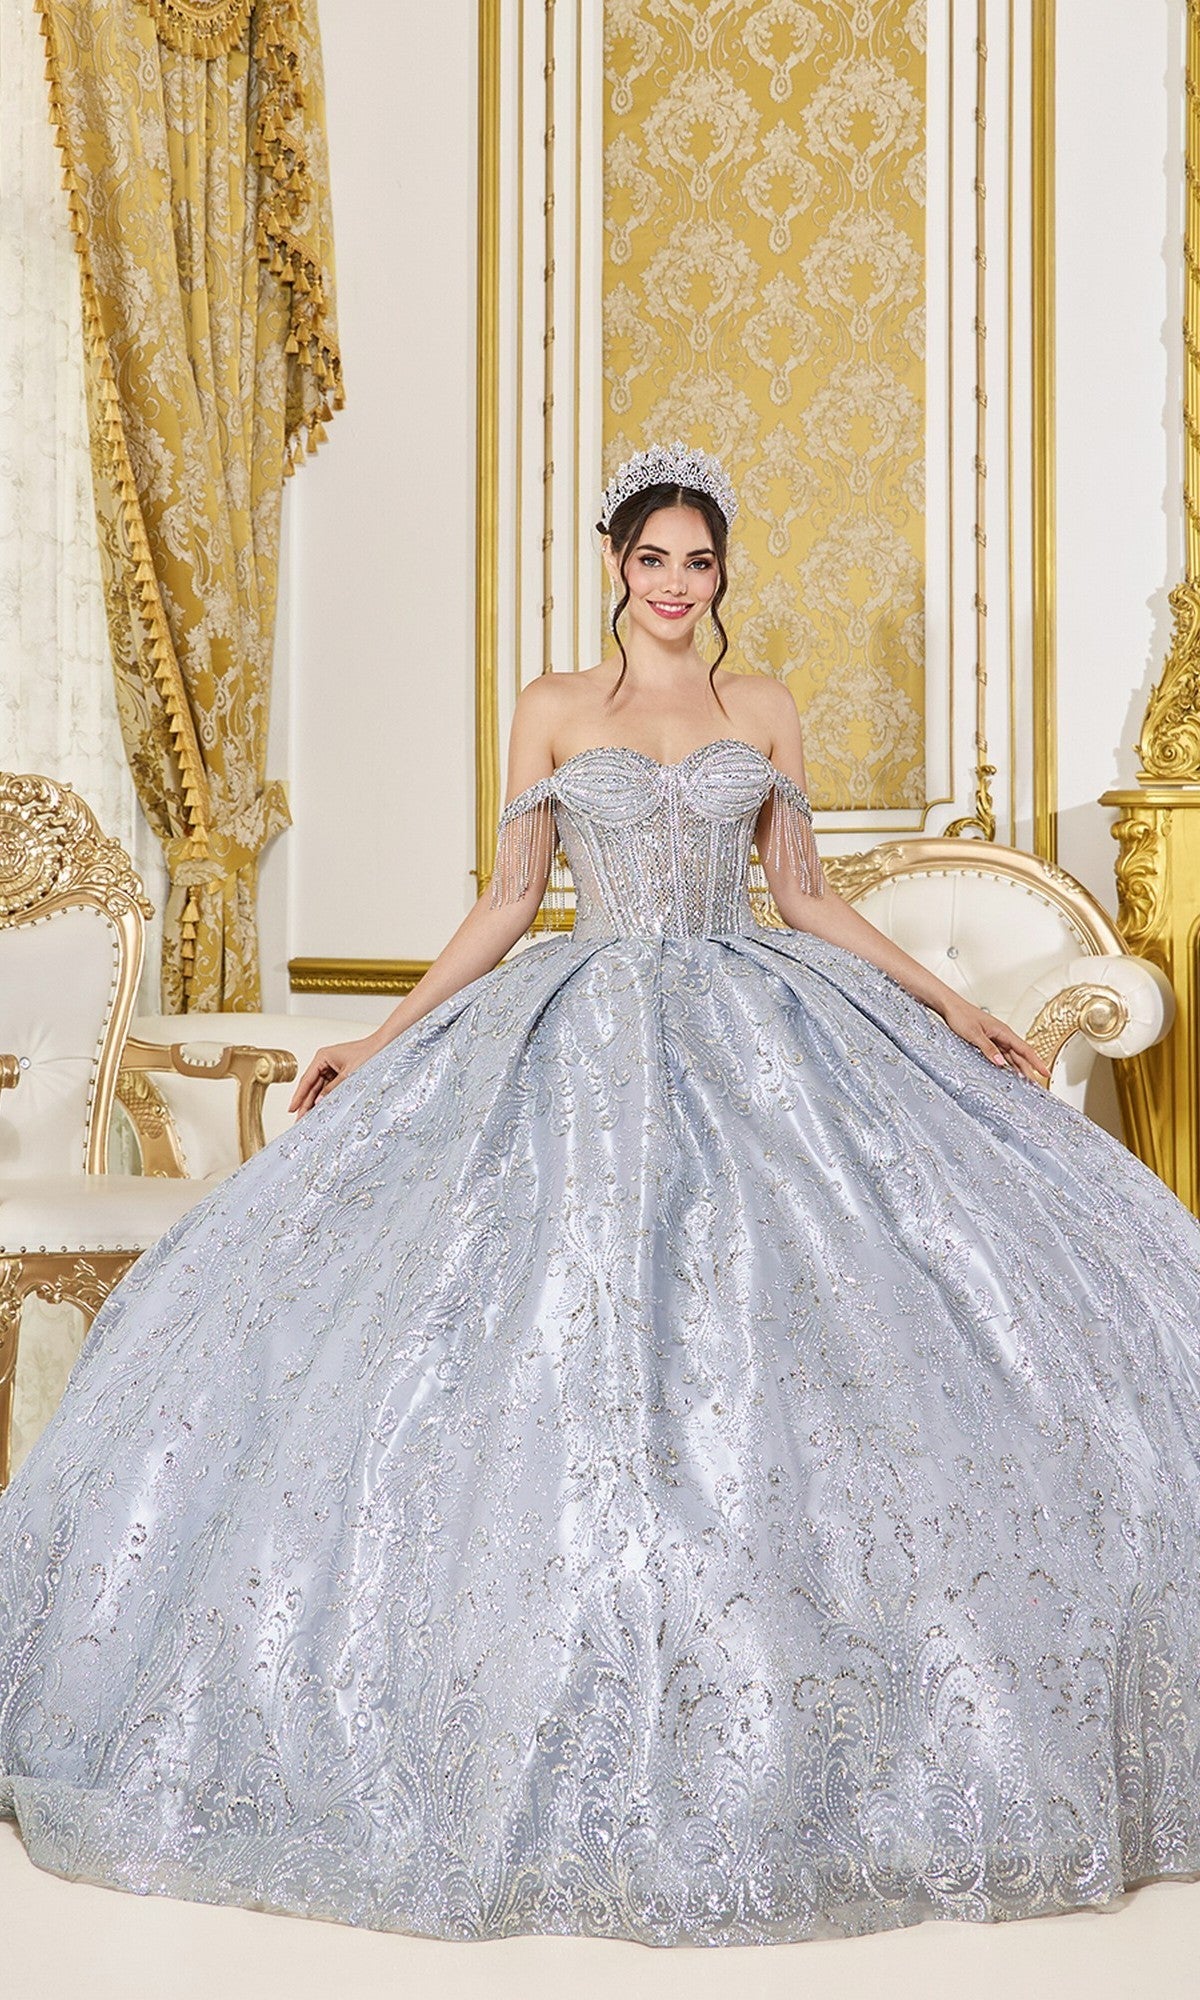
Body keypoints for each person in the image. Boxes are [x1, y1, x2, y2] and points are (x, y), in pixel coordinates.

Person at [3, 441, 1200, 1950]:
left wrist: (950, 1008)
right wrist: (378, 1039)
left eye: (701, 563)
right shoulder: (558, 710)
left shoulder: (761, 711)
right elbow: (509, 901)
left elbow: (809, 898)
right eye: (655, 561)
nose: (678, 587)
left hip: (757, 1009)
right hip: (578, 1019)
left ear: (720, 575)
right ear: (617, 568)